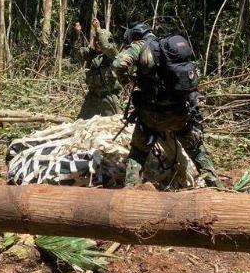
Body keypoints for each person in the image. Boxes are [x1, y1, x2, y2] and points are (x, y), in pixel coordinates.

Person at [112, 22, 224, 188]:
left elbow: (118, 64)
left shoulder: (140, 46)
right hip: (180, 113)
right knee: (197, 150)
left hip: (152, 116)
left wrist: (127, 80)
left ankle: (130, 192)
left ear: (136, 36)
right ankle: (217, 186)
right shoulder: (170, 49)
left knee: (138, 154)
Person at [73, 18, 121, 120]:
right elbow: (77, 52)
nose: (97, 43)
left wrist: (98, 29)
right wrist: (78, 34)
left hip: (108, 96)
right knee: (81, 122)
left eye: (99, 40)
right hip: (93, 95)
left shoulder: (112, 53)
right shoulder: (91, 53)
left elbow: (106, 46)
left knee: (114, 123)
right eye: (96, 40)